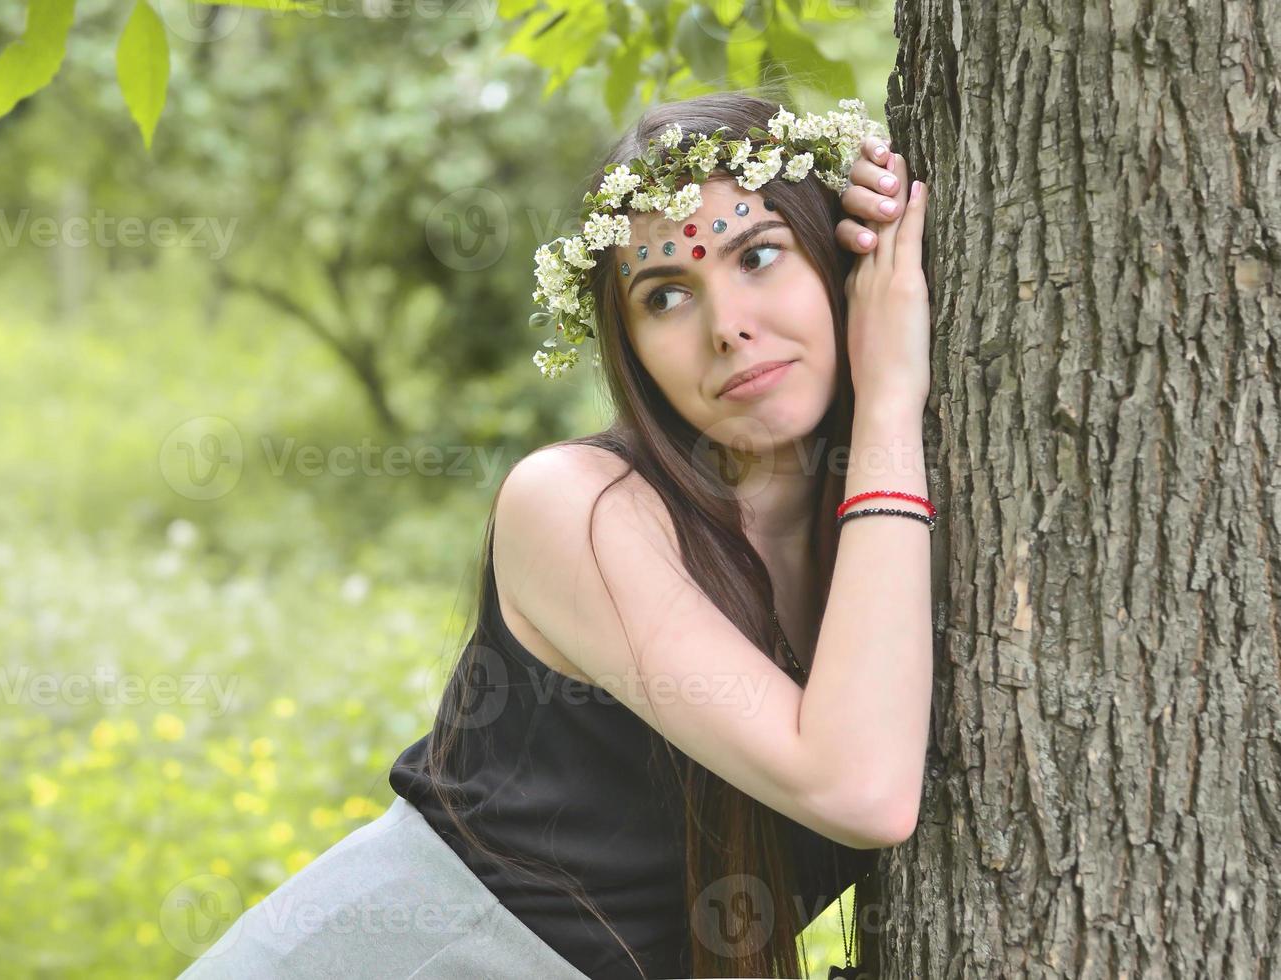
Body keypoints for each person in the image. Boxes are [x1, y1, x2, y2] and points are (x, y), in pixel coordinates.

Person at [178, 89, 932, 980]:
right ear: (631, 348)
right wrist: (889, 400)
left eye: (759, 254)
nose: (726, 326)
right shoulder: (576, 507)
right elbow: (862, 791)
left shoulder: (883, 547)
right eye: (665, 296)